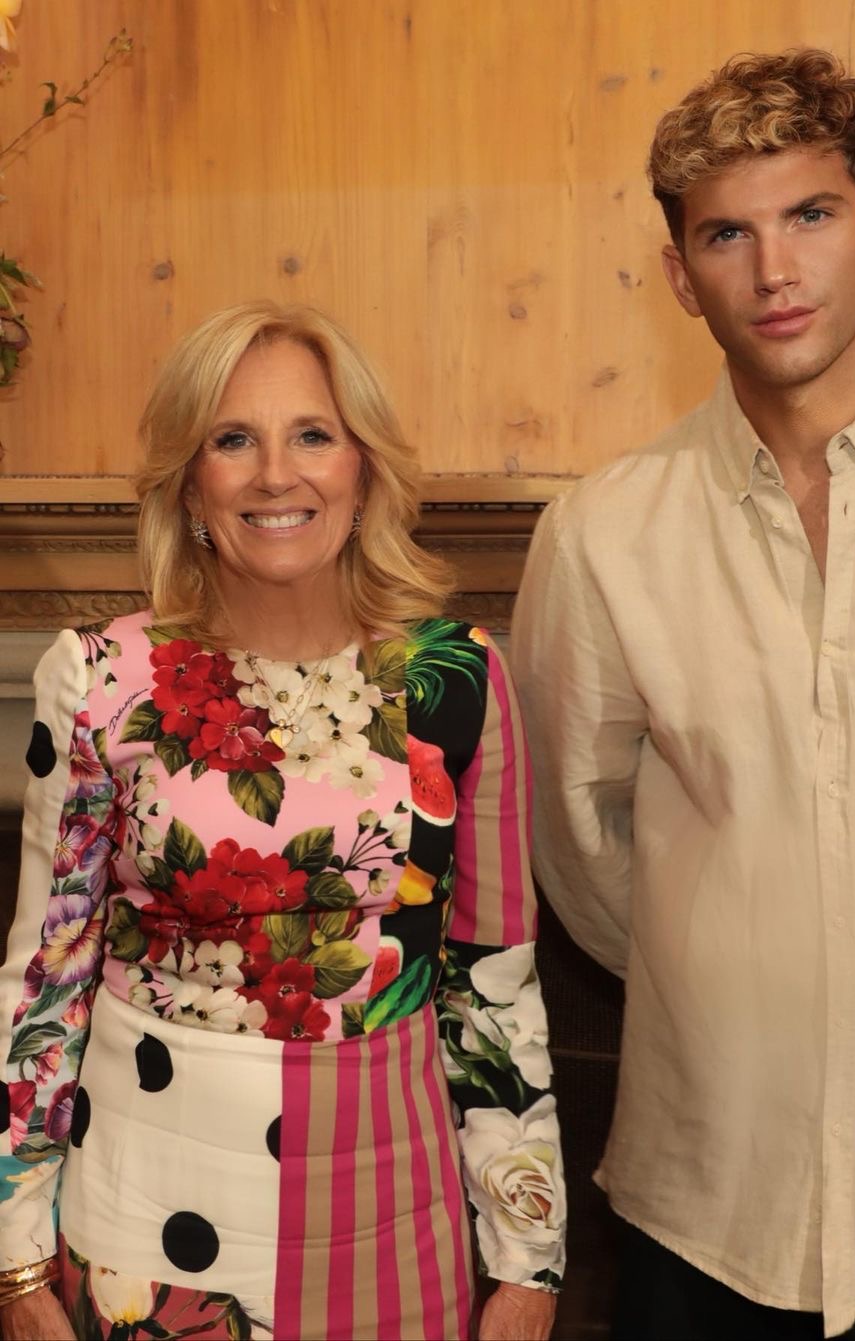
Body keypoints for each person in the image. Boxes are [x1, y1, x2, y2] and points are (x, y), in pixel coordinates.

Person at [510, 47, 855, 1341]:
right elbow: (583, 846)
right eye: (728, 233)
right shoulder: (604, 537)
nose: (775, 271)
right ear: (680, 274)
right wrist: (737, 960)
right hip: (706, 1210)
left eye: (811, 215)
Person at [0, 301, 565, 1341]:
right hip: (145, 1229)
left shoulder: (458, 677)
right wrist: (15, 1255)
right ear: (191, 484)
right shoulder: (97, 676)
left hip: (395, 1232)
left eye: (312, 434)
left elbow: (494, 984)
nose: (275, 473)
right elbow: (44, 977)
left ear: (363, 468)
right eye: (232, 439)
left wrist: (530, 1260)